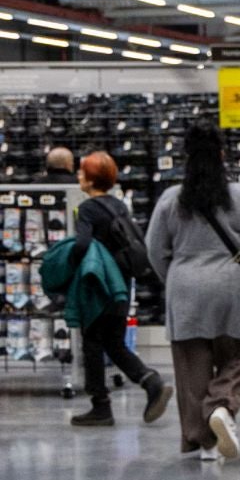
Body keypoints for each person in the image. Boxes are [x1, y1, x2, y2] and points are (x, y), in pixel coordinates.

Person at [145, 124, 240, 461]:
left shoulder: (170, 200)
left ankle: (203, 443)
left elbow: (154, 250)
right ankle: (222, 408)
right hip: (231, 286)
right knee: (237, 356)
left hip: (184, 286)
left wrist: (175, 277)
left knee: (191, 367)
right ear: (223, 156)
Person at [65, 151, 171, 427]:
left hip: (99, 287)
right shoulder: (119, 205)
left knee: (92, 342)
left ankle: (101, 406)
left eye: (82, 172)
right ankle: (151, 382)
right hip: (122, 286)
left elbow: (82, 245)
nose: (78, 176)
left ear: (90, 180)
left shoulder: (88, 208)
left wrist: (70, 263)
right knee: (113, 342)